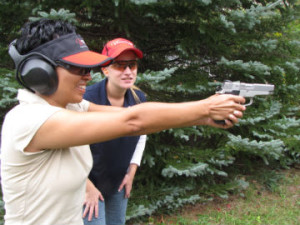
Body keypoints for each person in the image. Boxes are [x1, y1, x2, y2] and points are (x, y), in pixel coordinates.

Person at [0, 18, 246, 225]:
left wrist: (203, 116)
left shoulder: (74, 106)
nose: (88, 75)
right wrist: (206, 106)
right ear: (40, 71)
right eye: (77, 68)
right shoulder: (28, 119)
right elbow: (133, 122)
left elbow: (130, 117)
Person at [82, 38, 146, 225]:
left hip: (118, 179)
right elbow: (69, 148)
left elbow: (142, 133)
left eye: (132, 65)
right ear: (105, 69)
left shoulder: (138, 98)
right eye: (119, 65)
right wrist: (87, 187)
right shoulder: (87, 99)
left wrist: (131, 172)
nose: (127, 72)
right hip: (88, 182)